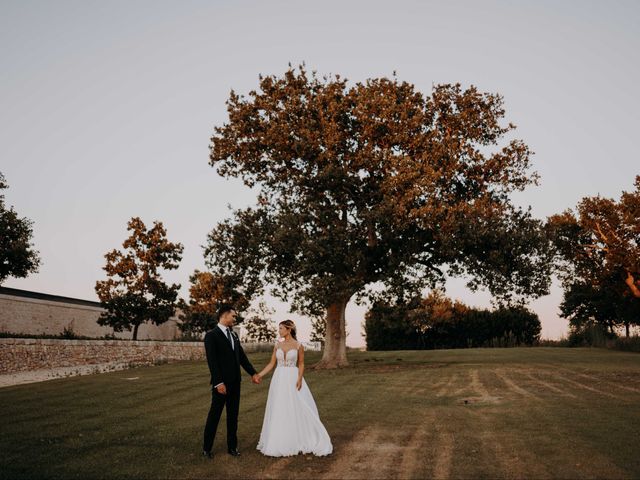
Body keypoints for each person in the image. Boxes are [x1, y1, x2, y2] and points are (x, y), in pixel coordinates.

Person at [256, 320, 333, 457]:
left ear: (289, 329)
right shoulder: (277, 344)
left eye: (281, 328)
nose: (279, 331)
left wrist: (299, 378)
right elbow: (271, 363)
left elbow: (301, 363)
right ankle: (279, 439)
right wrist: (259, 375)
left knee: (296, 405)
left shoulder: (298, 346)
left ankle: (299, 438)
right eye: (279, 328)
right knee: (279, 407)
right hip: (279, 378)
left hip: (292, 377)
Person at [202, 304, 261, 459]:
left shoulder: (234, 335)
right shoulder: (211, 336)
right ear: (224, 315)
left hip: (236, 383)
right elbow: (212, 362)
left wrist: (253, 373)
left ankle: (232, 447)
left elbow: (241, 357)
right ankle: (206, 448)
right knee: (214, 416)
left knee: (233, 416)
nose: (235, 318)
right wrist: (218, 383)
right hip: (221, 384)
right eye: (233, 316)